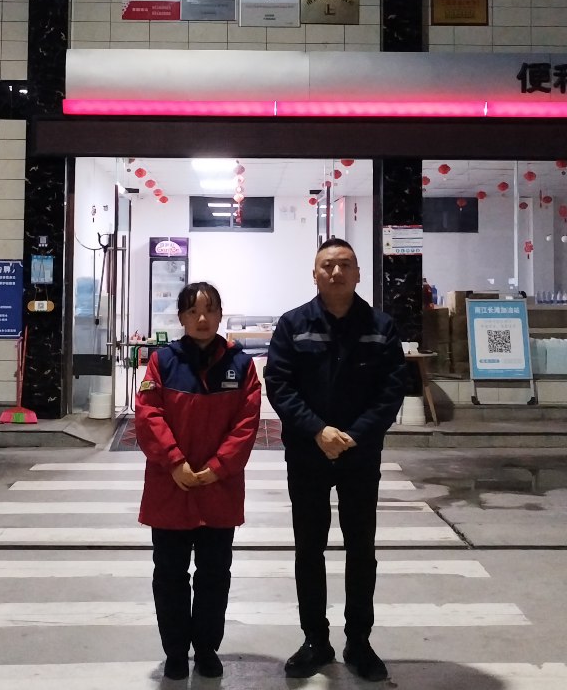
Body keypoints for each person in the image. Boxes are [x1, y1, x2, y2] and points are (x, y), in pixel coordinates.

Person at [264, 238, 407, 682]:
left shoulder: (380, 327)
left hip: (359, 456)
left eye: (345, 264)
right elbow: (279, 383)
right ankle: (315, 641)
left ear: (358, 273)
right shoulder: (293, 325)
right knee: (309, 548)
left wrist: (353, 436)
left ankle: (359, 642)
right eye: (327, 265)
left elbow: (392, 390)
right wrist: (316, 430)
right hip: (307, 454)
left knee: (361, 549)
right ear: (314, 274)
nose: (336, 272)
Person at [135, 281, 261, 681]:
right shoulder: (162, 362)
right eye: (192, 311)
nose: (202, 318)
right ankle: (175, 651)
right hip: (170, 487)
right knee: (169, 574)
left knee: (214, 575)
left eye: (209, 310)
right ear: (181, 317)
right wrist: (174, 462)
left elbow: (247, 423)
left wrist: (218, 467)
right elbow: (148, 414)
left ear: (220, 315)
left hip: (218, 488)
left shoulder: (241, 365)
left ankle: (206, 648)